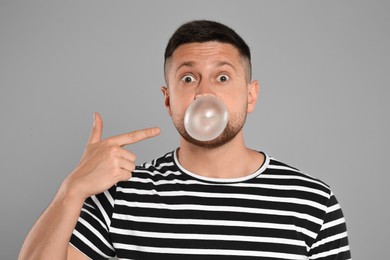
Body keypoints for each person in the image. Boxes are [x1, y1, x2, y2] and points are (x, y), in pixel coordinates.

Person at [19, 20, 351, 260]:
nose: (205, 92)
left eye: (222, 77)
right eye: (188, 78)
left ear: (251, 95)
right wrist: (72, 189)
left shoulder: (313, 203)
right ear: (168, 99)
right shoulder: (122, 194)